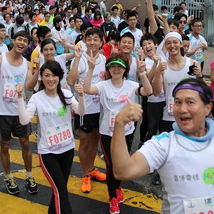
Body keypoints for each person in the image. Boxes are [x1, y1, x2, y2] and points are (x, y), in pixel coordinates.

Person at [111, 79, 214, 214]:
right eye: (177, 102)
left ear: (207, 108)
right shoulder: (163, 144)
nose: (182, 109)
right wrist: (119, 124)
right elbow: (123, 171)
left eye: (190, 102)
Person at [83, 55, 152, 214]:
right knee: (111, 165)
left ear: (125, 70)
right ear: (108, 69)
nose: (116, 69)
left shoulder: (132, 85)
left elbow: (148, 91)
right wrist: (91, 69)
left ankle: (117, 188)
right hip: (107, 133)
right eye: (112, 66)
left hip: (127, 132)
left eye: (119, 67)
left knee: (122, 164)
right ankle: (113, 197)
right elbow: (87, 89)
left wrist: (142, 73)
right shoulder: (103, 86)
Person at [18, 61, 85, 214]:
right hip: (48, 152)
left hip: (67, 149)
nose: (51, 79)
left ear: (59, 77)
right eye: (47, 75)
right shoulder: (36, 98)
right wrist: (20, 98)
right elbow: (24, 120)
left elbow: (81, 112)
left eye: (54, 75)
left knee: (59, 189)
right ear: (41, 77)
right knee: (61, 191)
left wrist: (81, 96)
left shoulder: (66, 94)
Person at [0, 31, 39, 195]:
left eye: (25, 40)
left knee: (25, 143)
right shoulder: (0, 57)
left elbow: (30, 87)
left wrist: (37, 69)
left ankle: (29, 175)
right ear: (13, 40)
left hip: (20, 111)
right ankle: (9, 176)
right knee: (5, 145)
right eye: (19, 39)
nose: (22, 42)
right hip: (2, 111)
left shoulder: (26, 64)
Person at [66, 28, 108, 193]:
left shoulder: (104, 59)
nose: (92, 42)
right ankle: (85, 174)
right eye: (88, 39)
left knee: (95, 140)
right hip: (84, 108)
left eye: (95, 39)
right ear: (84, 40)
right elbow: (70, 80)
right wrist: (76, 60)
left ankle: (91, 168)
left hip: (101, 109)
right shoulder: (80, 59)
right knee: (85, 142)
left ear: (101, 41)